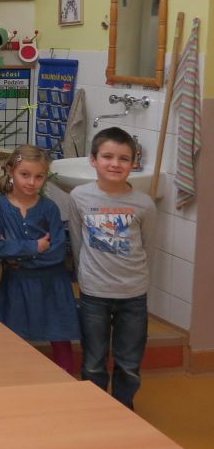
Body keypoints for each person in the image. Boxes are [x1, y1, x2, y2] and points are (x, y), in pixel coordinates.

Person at [69, 127, 156, 409]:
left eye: (124, 158)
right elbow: (77, 242)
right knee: (93, 362)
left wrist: (137, 281)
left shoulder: (144, 203)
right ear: (93, 160)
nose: (115, 164)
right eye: (107, 156)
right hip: (94, 293)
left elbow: (148, 247)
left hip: (133, 294)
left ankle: (123, 408)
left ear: (133, 163)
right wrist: (86, 278)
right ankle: (96, 411)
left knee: (129, 363)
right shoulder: (79, 197)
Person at [0, 145, 80, 374]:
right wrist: (35, 247)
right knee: (14, 340)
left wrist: (16, 255)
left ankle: (66, 385)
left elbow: (57, 252)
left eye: (39, 177)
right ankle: (17, 386)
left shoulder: (49, 208)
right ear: (10, 170)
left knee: (60, 336)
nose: (32, 182)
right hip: (17, 285)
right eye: (25, 174)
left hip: (52, 284)